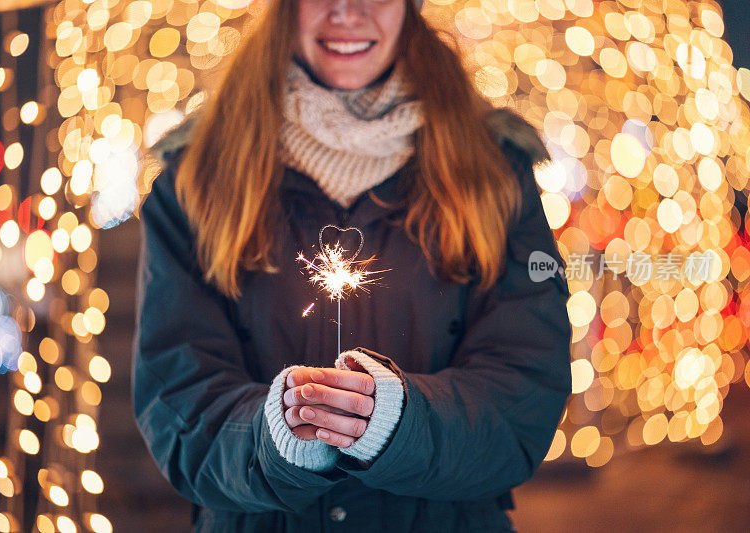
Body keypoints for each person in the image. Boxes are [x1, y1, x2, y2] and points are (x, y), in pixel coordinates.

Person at [132, 0, 572, 530]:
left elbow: (523, 390)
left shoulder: (496, 171)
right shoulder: (195, 179)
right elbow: (178, 393)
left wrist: (399, 423)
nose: (347, 11)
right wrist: (275, 441)